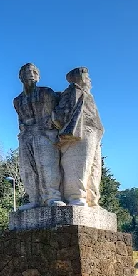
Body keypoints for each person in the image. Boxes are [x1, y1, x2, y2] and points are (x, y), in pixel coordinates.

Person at [13, 63, 64, 209]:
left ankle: (52, 197)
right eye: (26, 72)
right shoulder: (17, 100)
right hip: (26, 135)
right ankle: (34, 199)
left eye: (33, 71)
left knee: (47, 166)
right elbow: (20, 119)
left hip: (45, 133)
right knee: (27, 169)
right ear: (20, 77)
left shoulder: (46, 92)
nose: (30, 74)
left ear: (38, 76)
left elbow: (57, 113)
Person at [53, 67, 103, 207]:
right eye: (87, 77)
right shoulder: (72, 91)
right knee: (78, 166)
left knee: (94, 170)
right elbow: (59, 115)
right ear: (79, 78)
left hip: (94, 133)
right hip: (79, 133)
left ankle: (92, 200)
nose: (90, 80)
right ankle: (76, 197)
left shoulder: (88, 94)